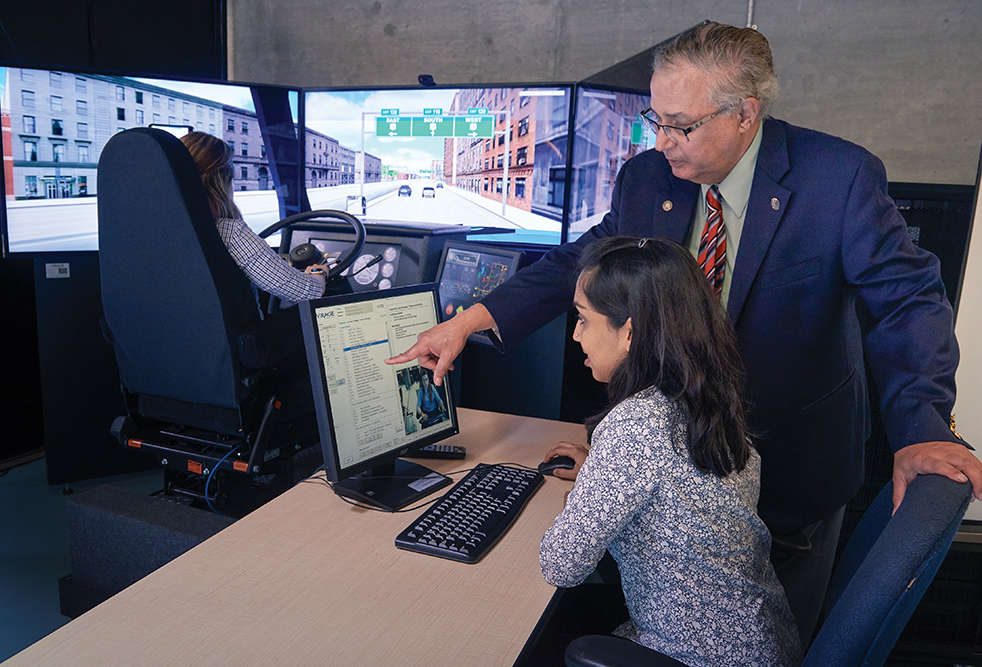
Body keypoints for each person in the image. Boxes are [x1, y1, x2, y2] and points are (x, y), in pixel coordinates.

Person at [388, 22, 982, 644]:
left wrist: (920, 428)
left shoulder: (840, 178)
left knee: (776, 639)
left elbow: (910, 302)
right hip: (678, 465)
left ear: (745, 113)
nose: (662, 141)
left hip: (793, 463)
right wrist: (468, 321)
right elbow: (580, 264)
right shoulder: (648, 180)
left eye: (681, 125)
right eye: (655, 120)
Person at [540, 236, 801, 666]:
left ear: (629, 332)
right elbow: (681, 491)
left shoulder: (636, 425)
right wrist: (604, 474)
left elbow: (560, 564)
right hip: (759, 642)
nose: (576, 334)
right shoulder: (708, 399)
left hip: (693, 657)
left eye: (584, 319)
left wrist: (594, 487)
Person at [180, 131, 329, 306]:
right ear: (222, 182)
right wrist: (319, 273)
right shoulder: (230, 234)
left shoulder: (154, 233)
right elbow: (307, 293)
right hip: (244, 333)